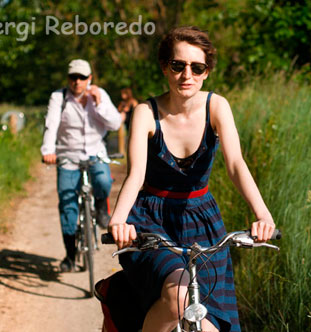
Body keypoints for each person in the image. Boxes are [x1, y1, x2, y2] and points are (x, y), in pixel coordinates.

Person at [108, 26, 276, 332]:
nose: (187, 74)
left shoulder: (217, 106)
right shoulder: (146, 112)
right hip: (152, 217)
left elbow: (236, 164)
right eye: (178, 65)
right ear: (164, 67)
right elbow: (136, 175)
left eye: (197, 67)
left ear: (206, 72)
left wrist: (262, 215)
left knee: (209, 325)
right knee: (179, 297)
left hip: (203, 221)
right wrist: (119, 221)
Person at [41, 59, 121, 272]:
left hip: (96, 154)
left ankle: (102, 207)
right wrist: (48, 151)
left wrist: (99, 103)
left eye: (82, 77)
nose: (77, 81)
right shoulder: (59, 98)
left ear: (90, 79)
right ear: (68, 79)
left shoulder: (99, 94)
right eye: (73, 77)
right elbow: (51, 125)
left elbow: (115, 123)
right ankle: (70, 255)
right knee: (68, 206)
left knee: (103, 181)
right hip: (68, 156)